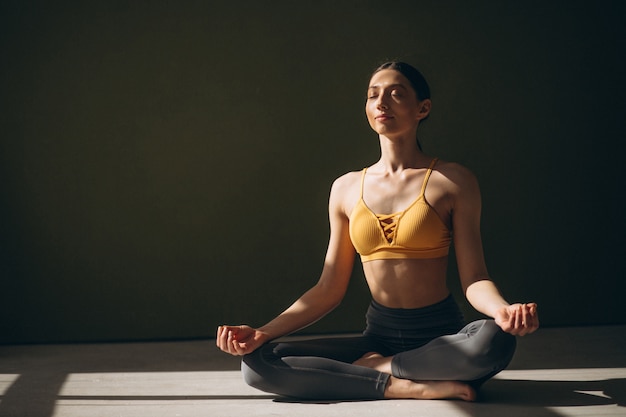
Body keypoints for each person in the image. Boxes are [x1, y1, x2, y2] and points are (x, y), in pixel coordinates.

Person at [216, 61, 539, 401]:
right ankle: (400, 384)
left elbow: (474, 279)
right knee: (257, 362)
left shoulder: (453, 181)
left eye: (396, 94)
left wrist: (503, 310)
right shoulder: (345, 188)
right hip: (378, 336)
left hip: (441, 337)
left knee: (494, 341)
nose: (382, 103)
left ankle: (379, 367)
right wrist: (262, 333)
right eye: (373, 96)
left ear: (422, 108)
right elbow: (329, 288)